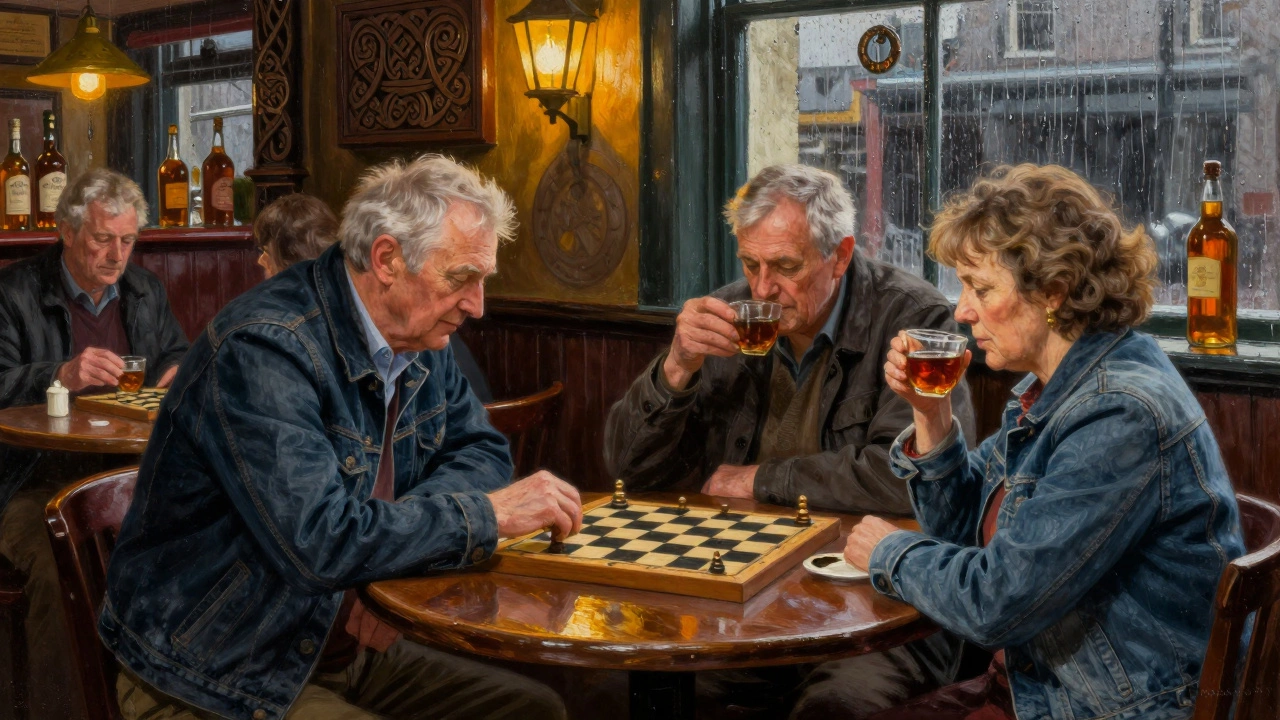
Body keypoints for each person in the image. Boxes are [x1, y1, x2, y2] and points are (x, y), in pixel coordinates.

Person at [99, 155, 579, 720]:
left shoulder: (424, 337)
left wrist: (393, 563)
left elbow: (482, 449)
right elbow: (319, 542)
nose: (477, 305)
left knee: (534, 711)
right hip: (213, 671)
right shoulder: (265, 347)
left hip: (330, 646)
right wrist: (485, 518)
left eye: (482, 280)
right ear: (386, 259)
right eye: (460, 279)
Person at [844, 164, 1244, 720]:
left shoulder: (1118, 412)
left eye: (980, 288)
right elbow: (961, 533)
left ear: (1053, 291)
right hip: (1036, 692)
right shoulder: (1049, 389)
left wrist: (886, 552)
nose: (961, 310)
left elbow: (996, 605)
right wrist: (932, 417)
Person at [604, 163, 977, 718]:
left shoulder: (914, 319)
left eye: (785, 266)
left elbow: (904, 477)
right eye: (750, 264)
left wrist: (760, 479)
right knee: (644, 692)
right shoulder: (728, 315)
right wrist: (675, 367)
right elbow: (627, 470)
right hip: (746, 592)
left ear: (842, 255)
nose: (762, 289)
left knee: (834, 708)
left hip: (875, 602)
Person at [0, 168, 189, 719]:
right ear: (66, 230)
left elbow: (176, 352)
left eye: (127, 241)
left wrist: (177, 370)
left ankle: (161, 703)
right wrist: (61, 372)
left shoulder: (144, 291)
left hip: (130, 475)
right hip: (33, 477)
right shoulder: (14, 291)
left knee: (197, 542)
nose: (116, 255)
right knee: (66, 565)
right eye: (103, 239)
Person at [254, 191, 494, 402]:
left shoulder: (423, 332)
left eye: (266, 252)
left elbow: (474, 439)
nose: (477, 308)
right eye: (459, 279)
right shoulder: (279, 340)